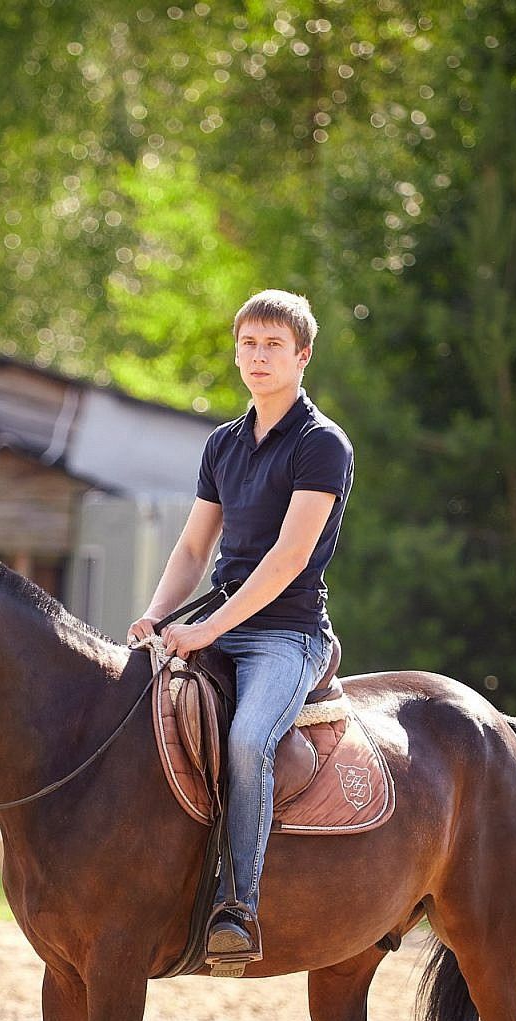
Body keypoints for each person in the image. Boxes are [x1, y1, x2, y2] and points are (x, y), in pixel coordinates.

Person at [127, 290, 354, 968]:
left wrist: (208, 629)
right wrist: (159, 615)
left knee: (249, 737)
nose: (258, 356)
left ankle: (237, 905)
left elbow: (288, 559)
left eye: (274, 345)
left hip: (287, 634)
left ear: (302, 356)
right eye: (249, 344)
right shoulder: (222, 444)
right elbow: (195, 550)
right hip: (218, 622)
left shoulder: (322, 446)